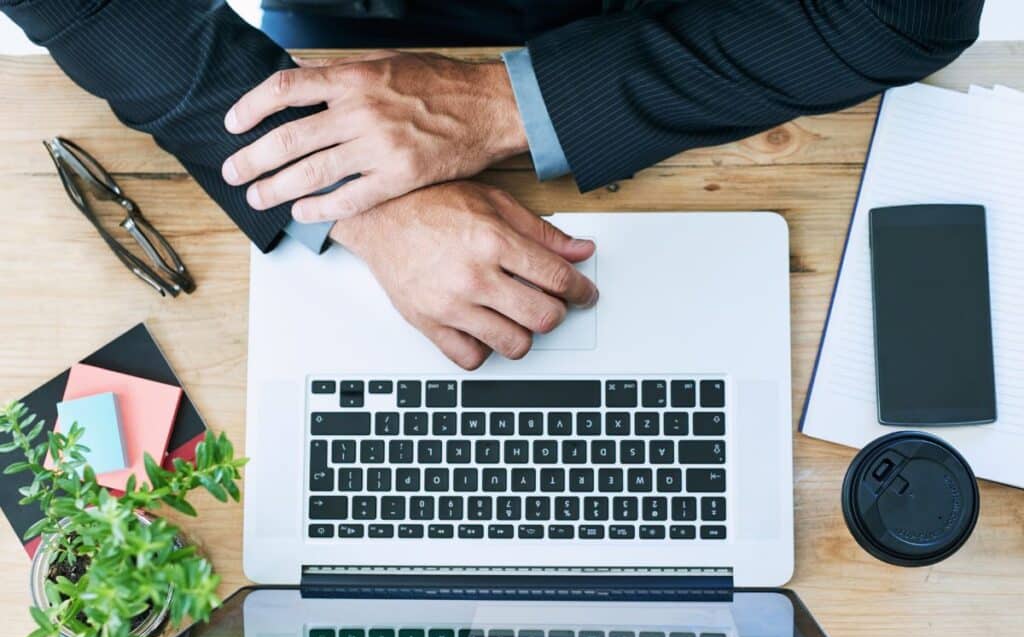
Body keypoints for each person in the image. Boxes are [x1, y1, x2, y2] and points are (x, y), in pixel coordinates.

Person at [2, 0, 985, 369]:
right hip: (339, 47)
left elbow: (902, 13)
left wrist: (499, 105)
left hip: (705, 36)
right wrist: (358, 190)